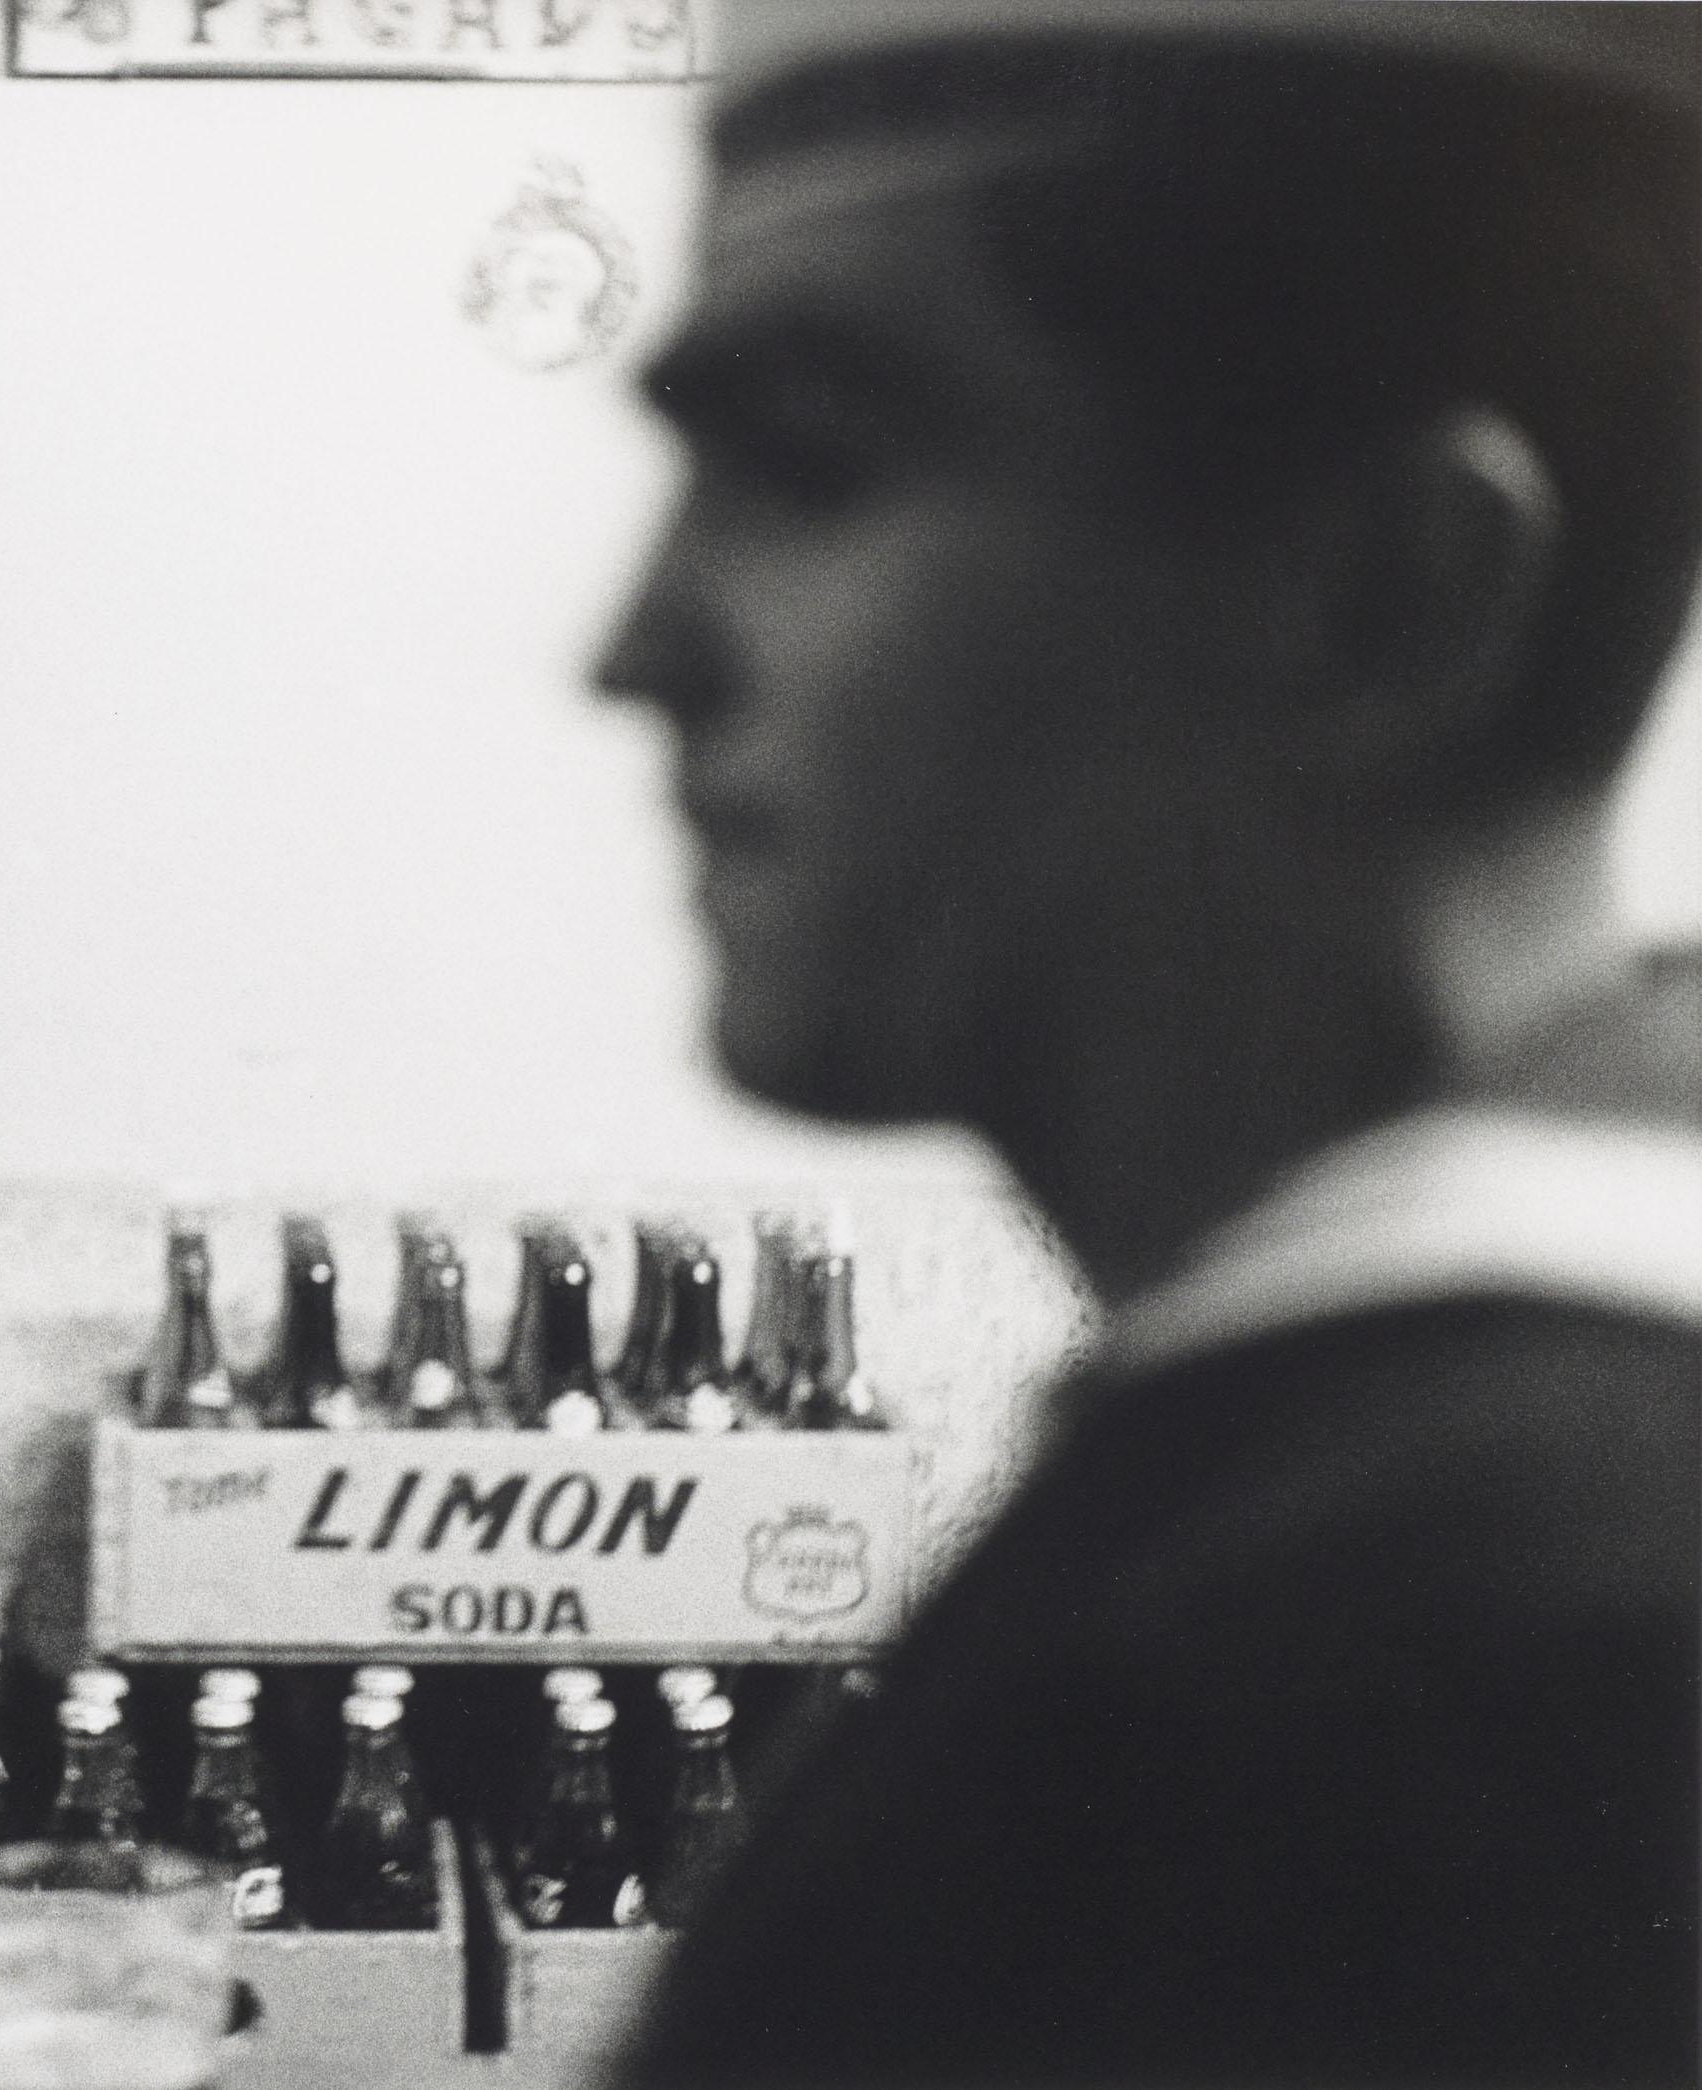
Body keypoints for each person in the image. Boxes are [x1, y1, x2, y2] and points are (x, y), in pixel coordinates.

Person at [597, 4, 1701, 2081]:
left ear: (1390, 592)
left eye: (814, 461)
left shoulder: (1390, 1659)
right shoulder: (1421, 1475)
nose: (634, 645)